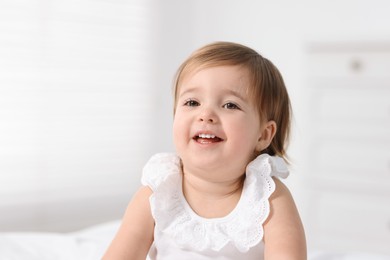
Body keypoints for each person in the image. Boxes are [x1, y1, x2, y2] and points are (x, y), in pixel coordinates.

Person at [103, 41, 306, 259]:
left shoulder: (268, 199)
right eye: (192, 102)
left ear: (263, 135)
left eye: (230, 105)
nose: (206, 114)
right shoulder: (158, 193)